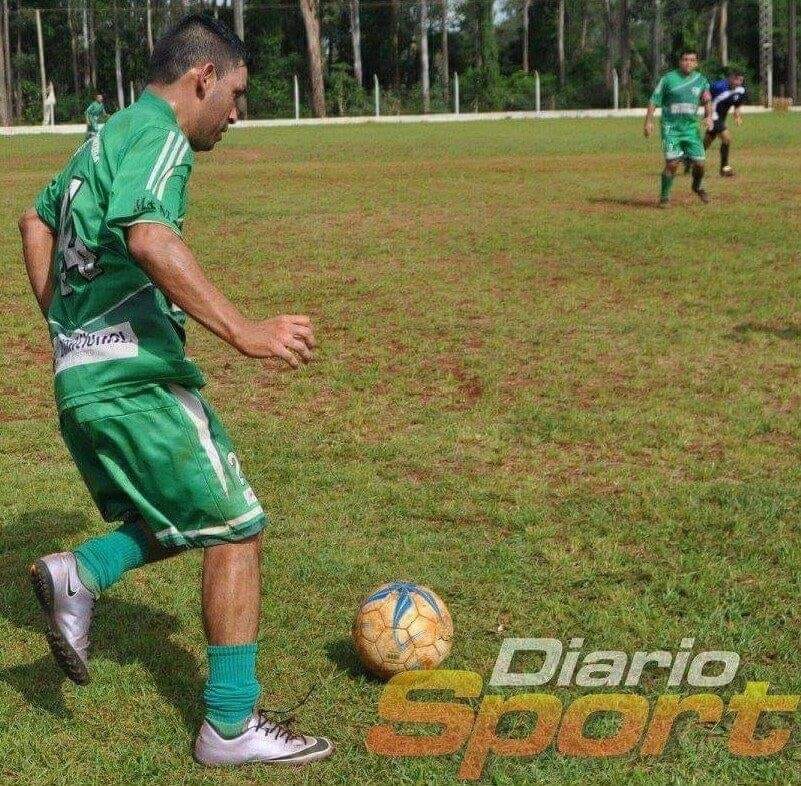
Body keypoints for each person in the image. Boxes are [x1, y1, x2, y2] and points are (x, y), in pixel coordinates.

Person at [18, 14, 332, 768]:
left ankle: (81, 573)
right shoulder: (159, 135)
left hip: (81, 381)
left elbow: (34, 220)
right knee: (237, 528)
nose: (237, 112)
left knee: (177, 513)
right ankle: (229, 724)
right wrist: (244, 330)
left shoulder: (104, 138)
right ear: (203, 77)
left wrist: (68, 327)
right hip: (133, 379)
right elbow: (150, 236)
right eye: (237, 93)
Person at [644, 50, 714, 207]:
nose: (688, 63)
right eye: (685, 59)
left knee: (700, 164)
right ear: (680, 61)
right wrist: (648, 122)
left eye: (692, 60)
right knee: (672, 163)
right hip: (671, 129)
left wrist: (708, 116)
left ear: (696, 63)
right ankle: (664, 197)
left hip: (691, 129)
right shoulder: (668, 79)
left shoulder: (701, 80)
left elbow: (707, 100)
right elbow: (654, 100)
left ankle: (696, 186)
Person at [705, 69, 747, 176]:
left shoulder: (740, 90)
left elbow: (737, 104)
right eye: (737, 80)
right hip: (713, 116)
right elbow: (705, 97)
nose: (739, 82)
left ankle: (690, 159)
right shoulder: (718, 86)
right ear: (731, 78)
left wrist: (737, 116)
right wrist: (707, 115)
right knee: (726, 138)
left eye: (741, 80)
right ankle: (724, 169)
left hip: (722, 118)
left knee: (707, 142)